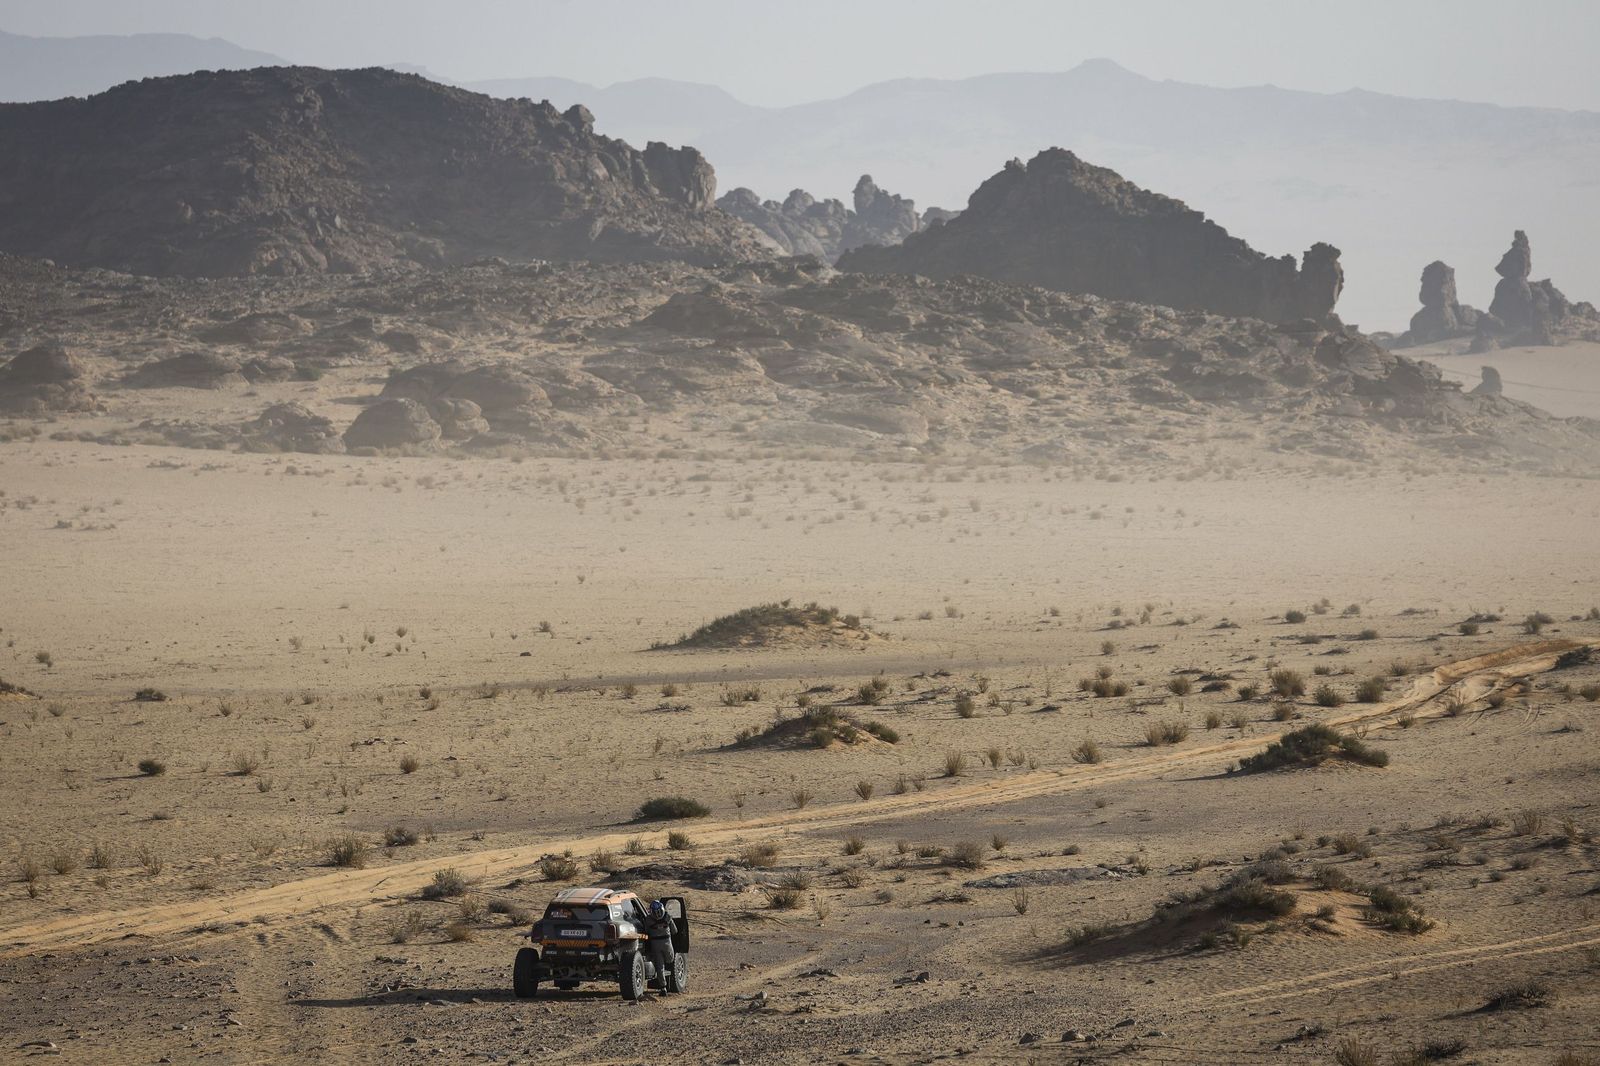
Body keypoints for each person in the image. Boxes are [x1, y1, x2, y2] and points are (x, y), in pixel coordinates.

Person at [639, 899, 678, 994]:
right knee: (670, 959)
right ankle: (665, 985)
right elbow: (675, 931)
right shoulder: (668, 917)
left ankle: (663, 987)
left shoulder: (648, 920)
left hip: (655, 945)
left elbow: (646, 931)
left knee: (660, 966)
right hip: (667, 943)